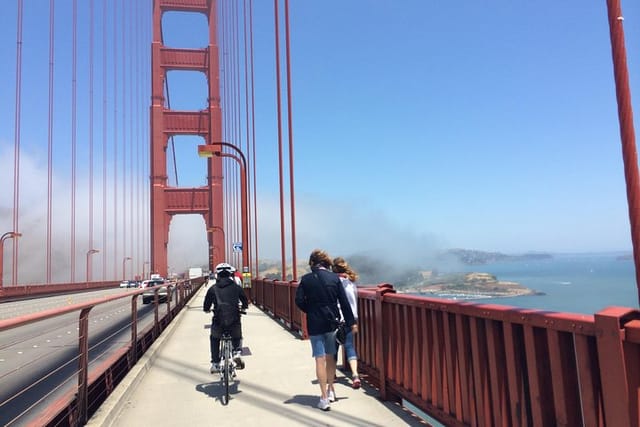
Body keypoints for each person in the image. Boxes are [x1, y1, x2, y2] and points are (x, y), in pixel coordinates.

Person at [295, 249, 357, 411]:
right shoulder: (333, 278)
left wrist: (311, 310)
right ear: (325, 263)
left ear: (312, 263)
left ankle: (323, 398)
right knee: (331, 358)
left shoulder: (306, 280)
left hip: (315, 324)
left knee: (319, 359)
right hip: (332, 323)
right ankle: (331, 390)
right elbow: (344, 302)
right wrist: (351, 322)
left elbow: (299, 300)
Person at [203, 262, 249, 373]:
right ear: (230, 274)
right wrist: (243, 308)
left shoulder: (212, 289)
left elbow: (206, 305)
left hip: (218, 322)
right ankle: (237, 352)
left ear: (217, 275)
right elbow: (245, 301)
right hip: (234, 321)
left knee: (214, 338)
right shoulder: (236, 287)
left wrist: (207, 310)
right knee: (237, 335)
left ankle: (215, 363)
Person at [332, 257, 361, 389]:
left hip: (338, 318)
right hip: (352, 319)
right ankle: (355, 375)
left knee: (334, 347)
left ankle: (332, 374)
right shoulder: (351, 282)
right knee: (349, 346)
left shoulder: (334, 282)